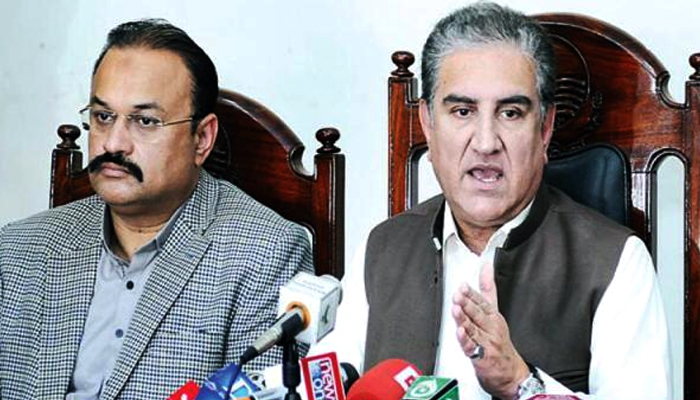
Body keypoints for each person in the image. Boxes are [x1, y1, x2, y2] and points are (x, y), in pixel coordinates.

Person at [314, 3, 671, 399]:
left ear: (545, 128)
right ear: (427, 124)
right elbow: (326, 381)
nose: (485, 143)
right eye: (462, 111)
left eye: (511, 113)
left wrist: (520, 382)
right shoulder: (381, 248)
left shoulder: (617, 261)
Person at [0, 19, 312, 399]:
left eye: (145, 121)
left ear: (202, 139)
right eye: (103, 117)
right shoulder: (18, 248)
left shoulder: (266, 252)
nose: (113, 143)